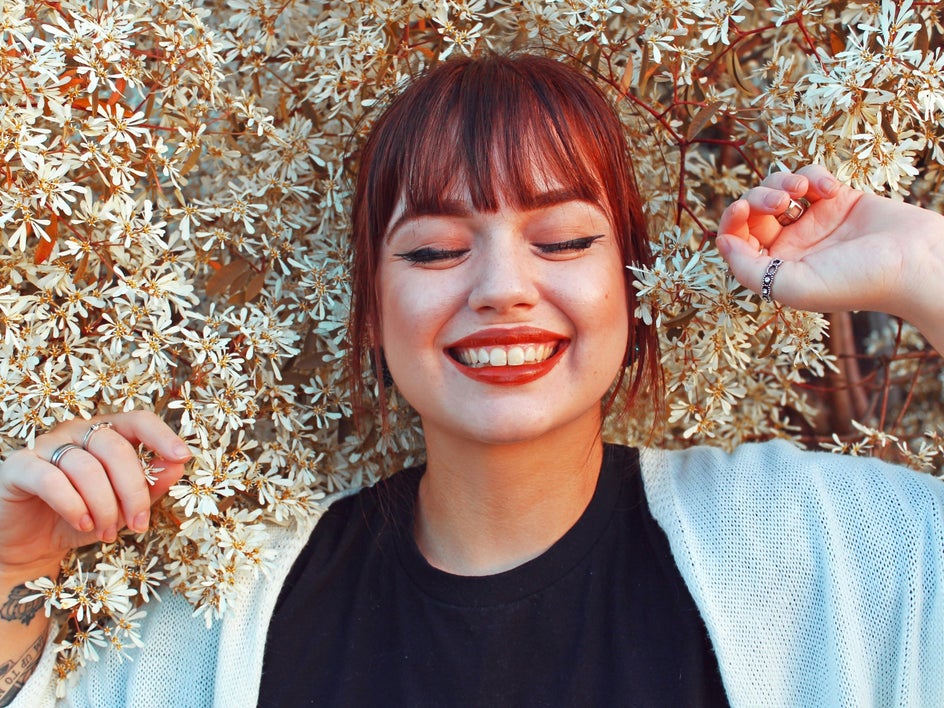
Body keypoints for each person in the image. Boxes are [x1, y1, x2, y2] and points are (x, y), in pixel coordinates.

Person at [2, 52, 943, 707]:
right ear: (371, 307)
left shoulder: (811, 549)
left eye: (565, 240)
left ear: (632, 283)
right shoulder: (232, 620)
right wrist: (13, 568)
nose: (502, 290)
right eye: (437, 249)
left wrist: (922, 266)